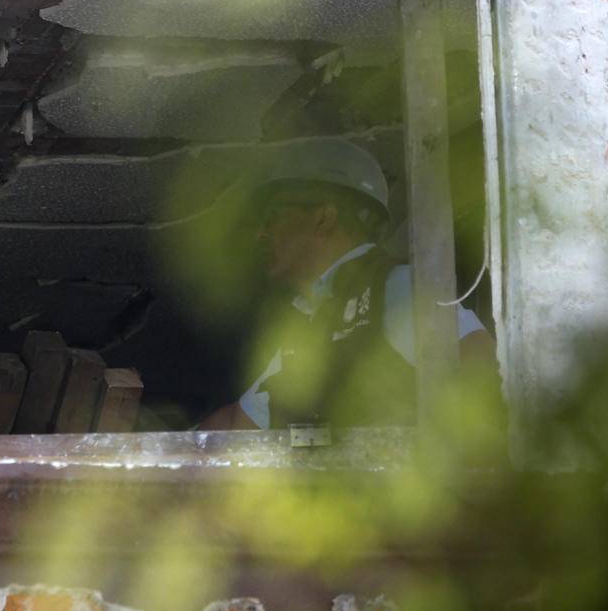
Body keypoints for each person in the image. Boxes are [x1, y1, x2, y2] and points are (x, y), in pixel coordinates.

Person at [200, 138, 491, 431]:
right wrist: (178, 446)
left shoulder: (395, 289)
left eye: (273, 217)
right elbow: (237, 424)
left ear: (323, 218)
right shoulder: (310, 320)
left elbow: (485, 373)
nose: (260, 233)